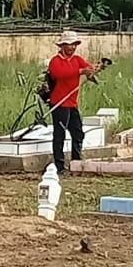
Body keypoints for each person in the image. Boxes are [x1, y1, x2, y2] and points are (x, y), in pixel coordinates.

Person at [45, 30, 100, 175]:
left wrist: (94, 69)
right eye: (69, 45)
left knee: (78, 133)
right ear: (62, 45)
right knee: (59, 135)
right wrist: (81, 71)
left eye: (74, 44)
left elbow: (87, 68)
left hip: (72, 103)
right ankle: (59, 166)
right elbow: (61, 74)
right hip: (59, 103)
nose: (72, 47)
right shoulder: (55, 61)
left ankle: (76, 162)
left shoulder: (77, 60)